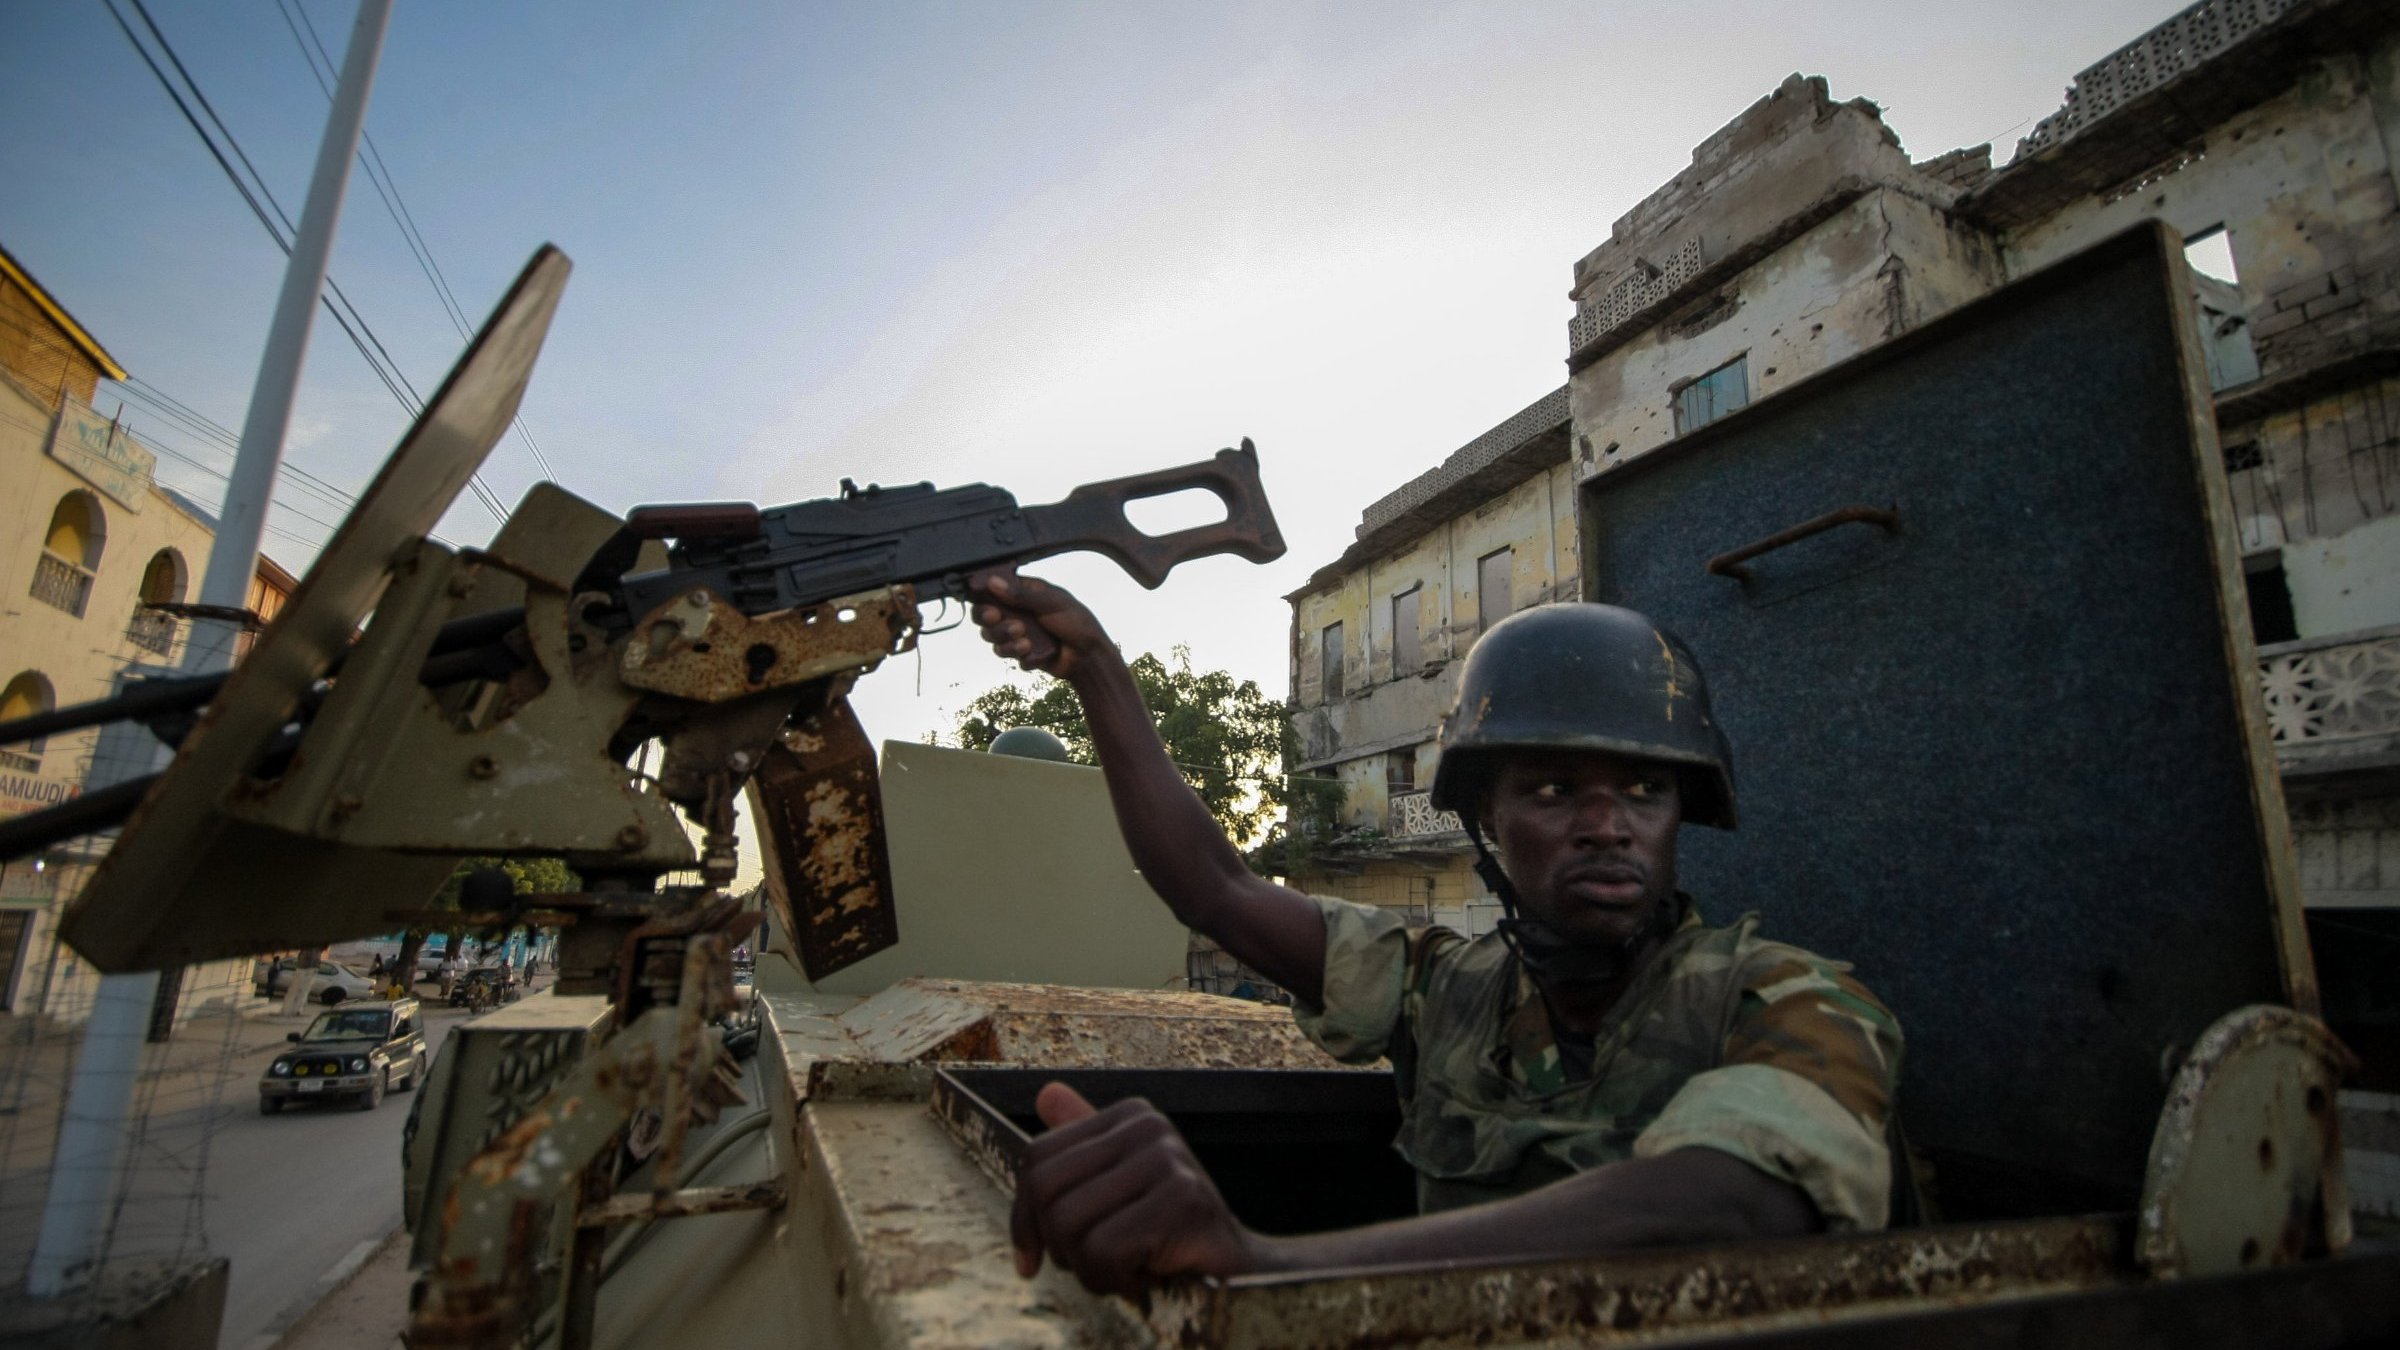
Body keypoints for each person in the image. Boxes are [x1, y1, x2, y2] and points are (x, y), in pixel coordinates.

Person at [968, 569, 1903, 1296]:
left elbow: (1730, 1203)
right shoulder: (1442, 989)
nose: (1608, 824)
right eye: (1552, 789)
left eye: (1646, 790)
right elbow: (1214, 889)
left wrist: (1268, 1270)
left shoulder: (1786, 997)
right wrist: (1095, 667)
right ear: (1486, 821)